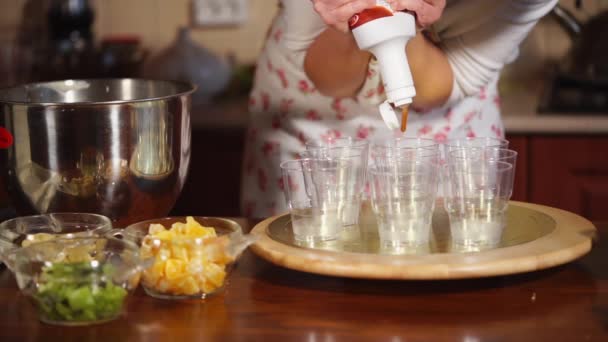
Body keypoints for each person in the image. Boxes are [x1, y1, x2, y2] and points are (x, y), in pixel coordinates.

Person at [241, 0, 558, 218]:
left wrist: (403, 21)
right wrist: (361, 16)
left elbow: (448, 80)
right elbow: (331, 79)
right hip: (313, 120)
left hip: (452, 136)